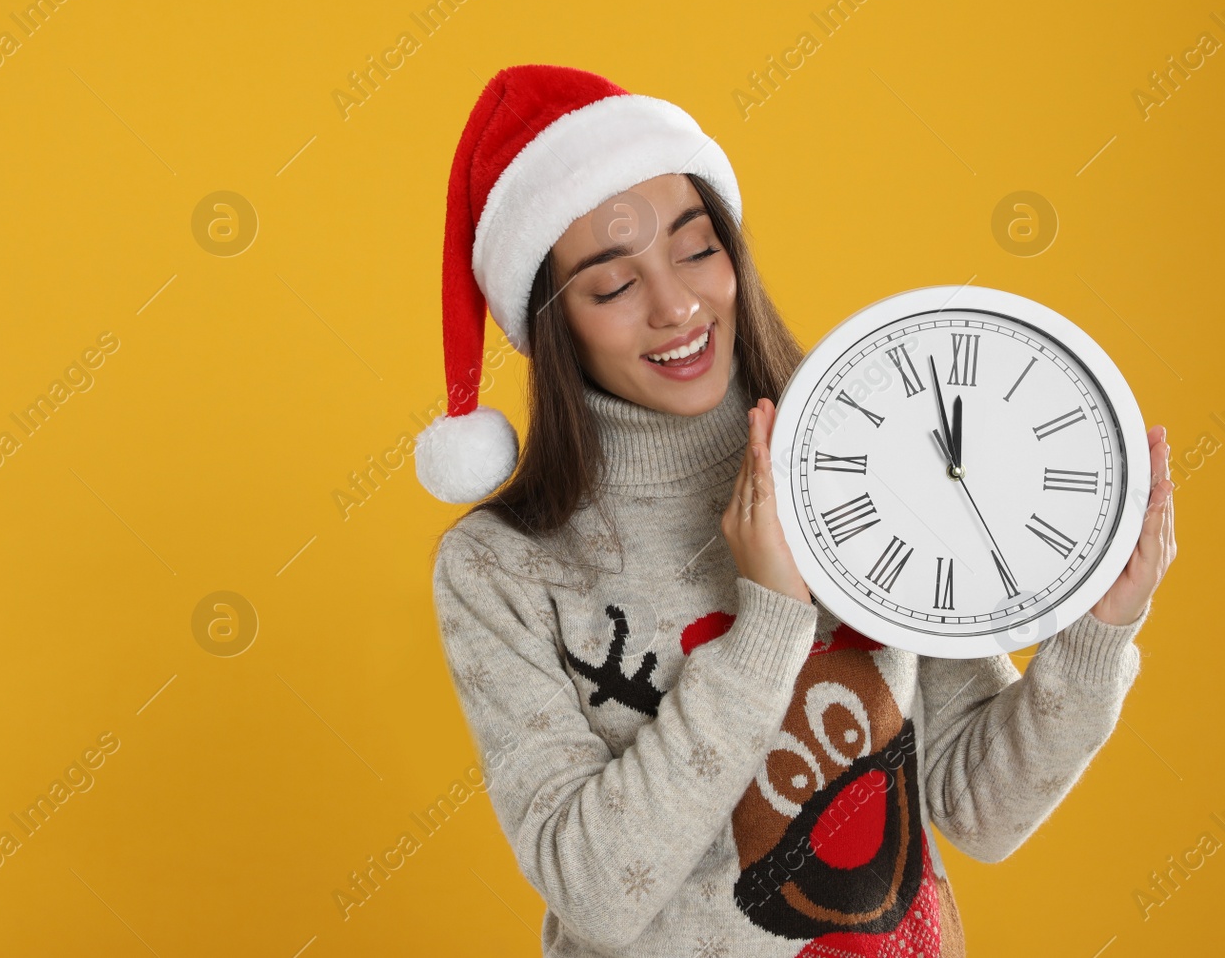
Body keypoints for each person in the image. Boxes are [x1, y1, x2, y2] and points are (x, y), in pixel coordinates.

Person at [415, 64, 1177, 957]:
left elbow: (977, 806)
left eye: (698, 249)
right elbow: (596, 890)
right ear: (553, 320)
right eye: (614, 287)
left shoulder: (867, 446)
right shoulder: (501, 565)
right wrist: (768, 623)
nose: (677, 305)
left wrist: (1095, 634)